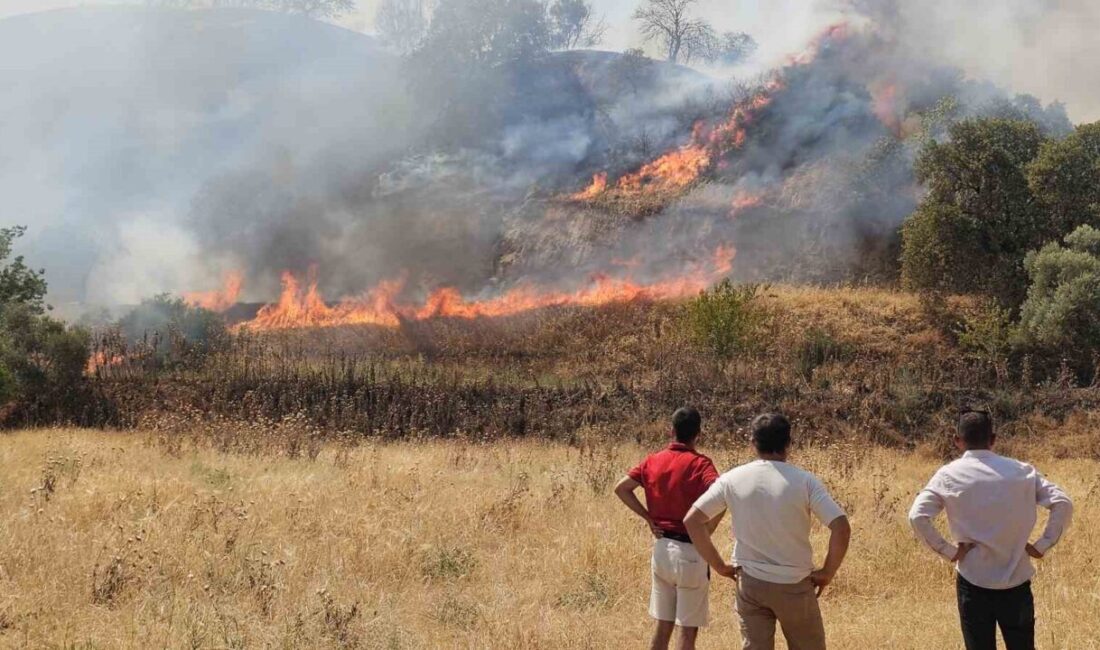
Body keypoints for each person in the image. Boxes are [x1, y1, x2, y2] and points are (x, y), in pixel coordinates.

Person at [908, 408, 1073, 650]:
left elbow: (917, 515)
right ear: (993, 439)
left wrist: (949, 551)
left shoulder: (948, 475)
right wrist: (1042, 544)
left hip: (973, 580)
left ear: (957, 440)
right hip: (1017, 580)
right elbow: (1063, 502)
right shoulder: (1022, 471)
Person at [683, 413, 851, 650]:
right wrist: (827, 572)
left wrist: (719, 566)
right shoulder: (805, 482)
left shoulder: (732, 479)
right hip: (795, 584)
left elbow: (692, 520)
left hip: (751, 584)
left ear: (753, 442)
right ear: (788, 443)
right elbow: (841, 527)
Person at [614, 407, 724, 650]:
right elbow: (721, 495)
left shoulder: (652, 460)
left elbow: (622, 488)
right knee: (687, 630)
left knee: (663, 626)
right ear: (699, 434)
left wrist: (648, 517)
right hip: (690, 550)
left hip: (662, 548)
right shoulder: (701, 464)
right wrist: (707, 529)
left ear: (671, 431)